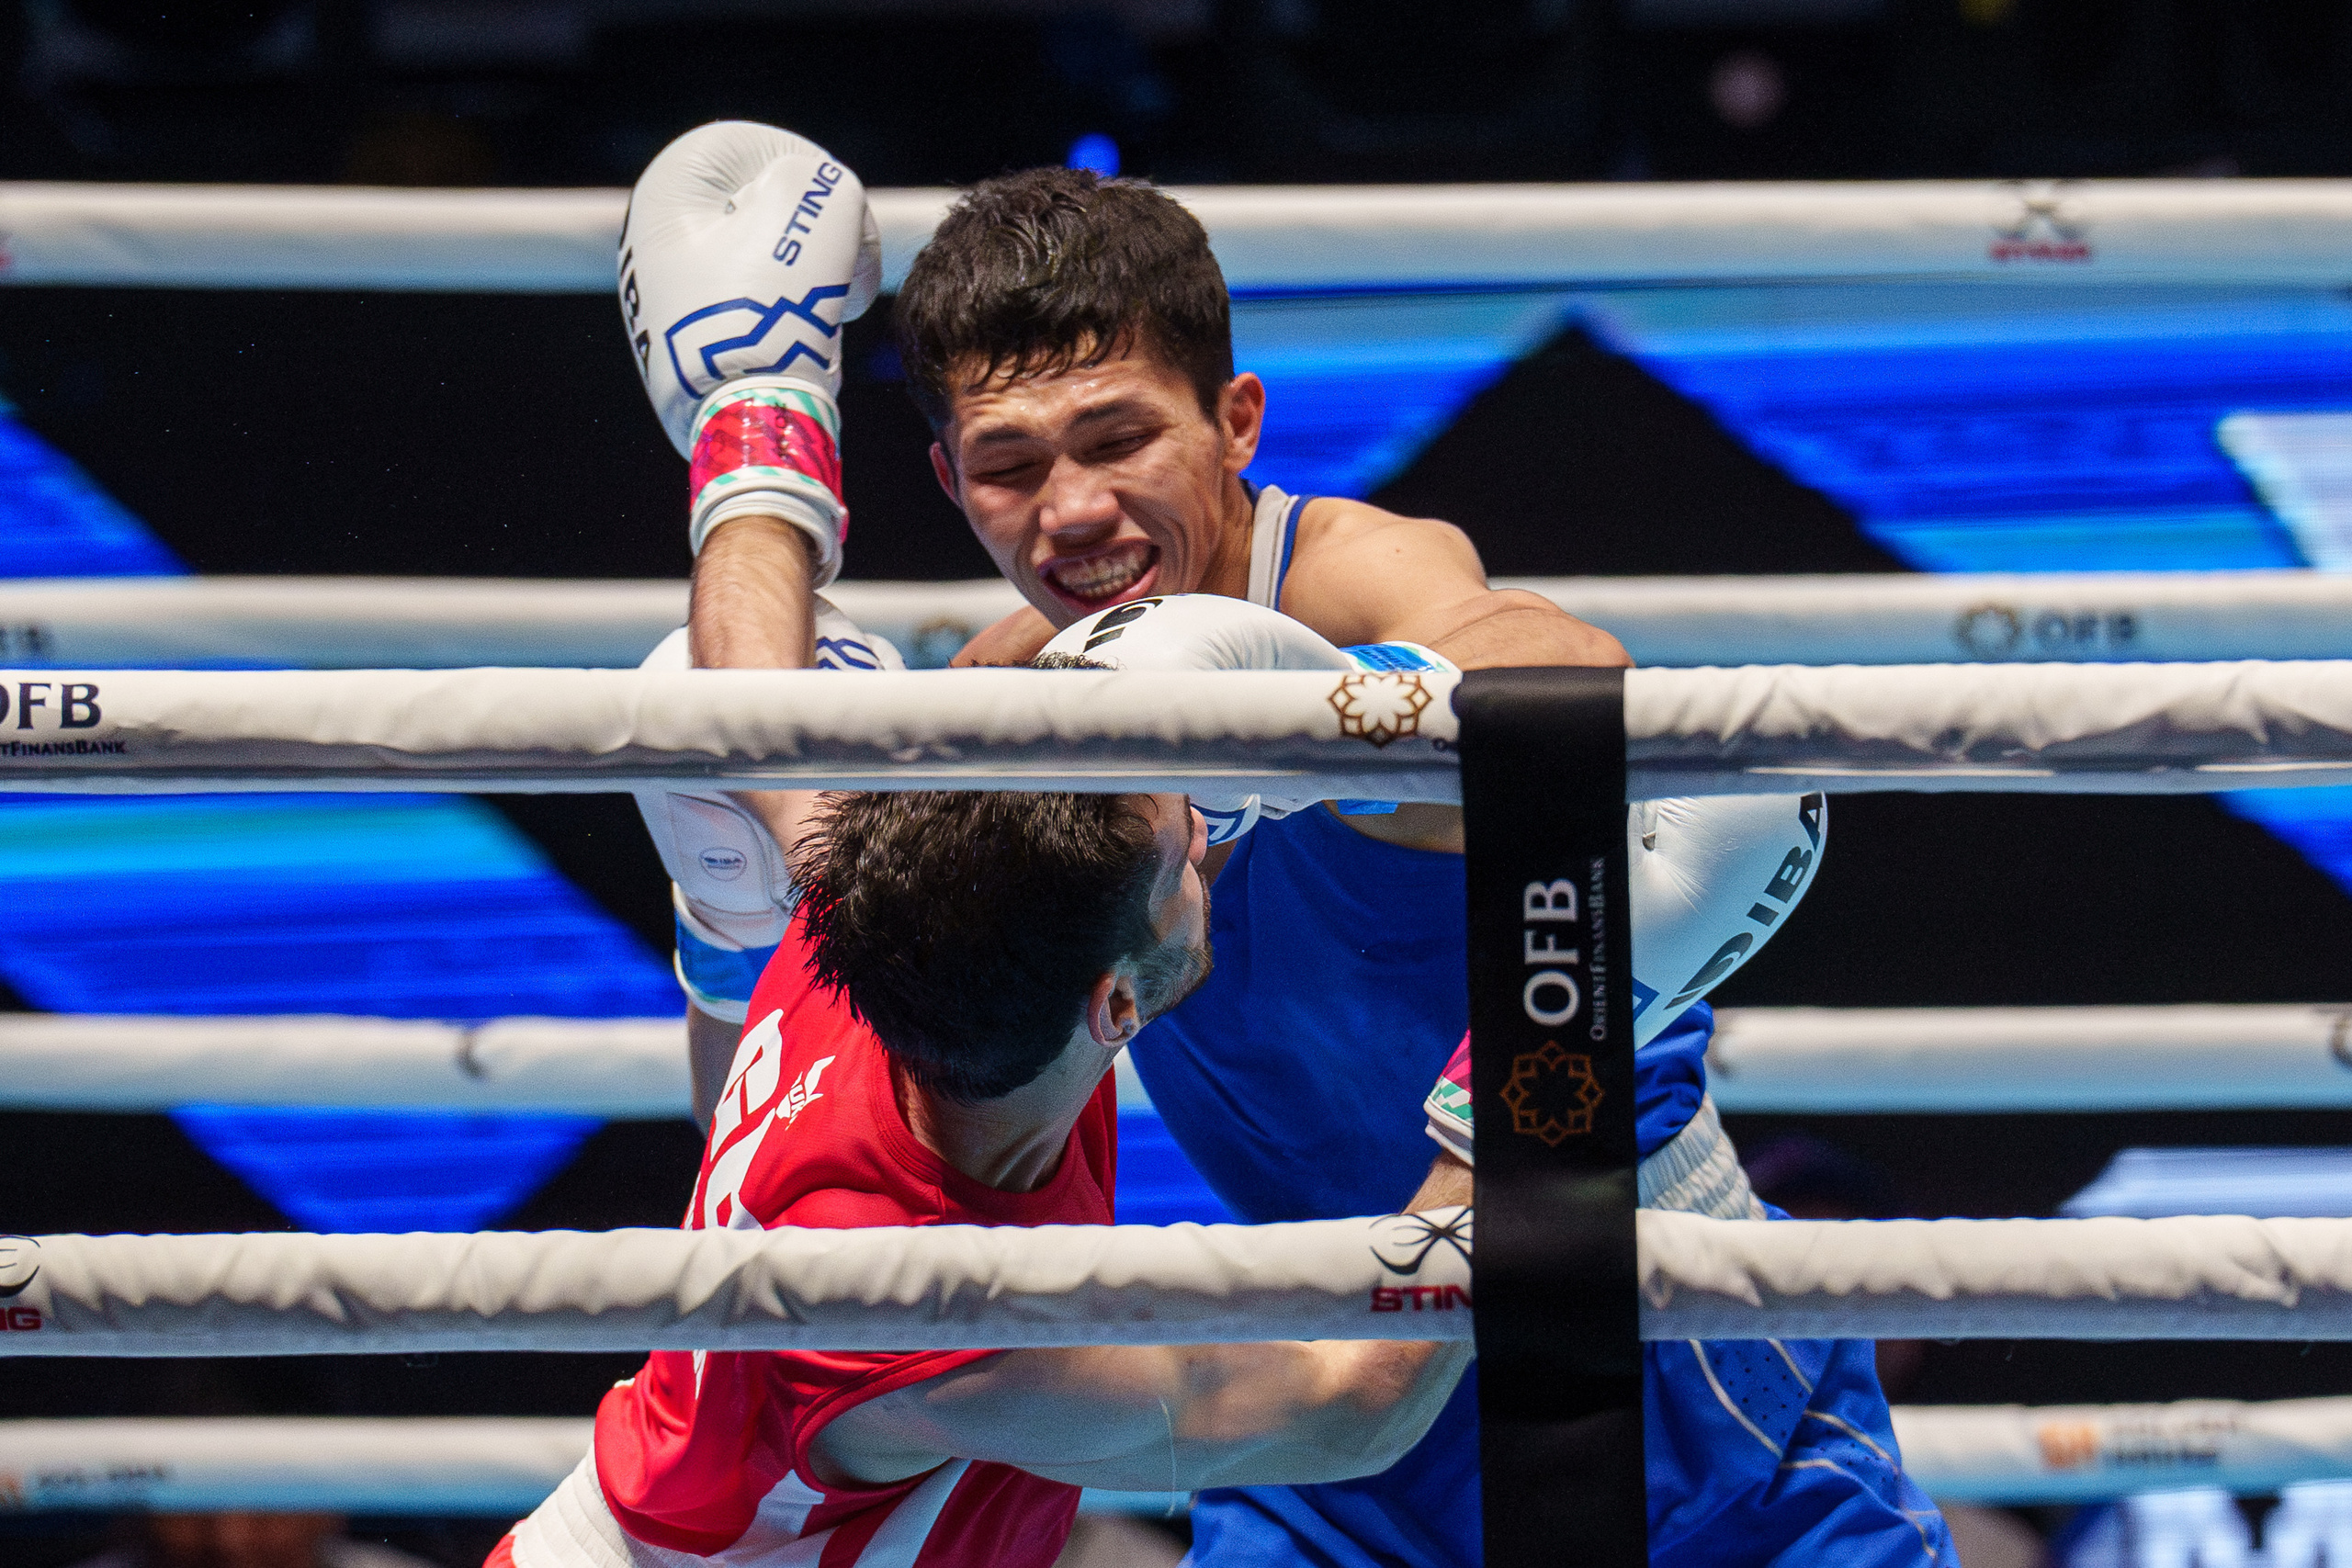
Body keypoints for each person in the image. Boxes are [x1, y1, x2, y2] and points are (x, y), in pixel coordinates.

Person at [618, 122, 1944, 1563]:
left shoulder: (1353, 574)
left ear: (1235, 421)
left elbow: (1563, 673)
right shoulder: (1007, 710)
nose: (1073, 509)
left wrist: (1323, 720)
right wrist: (759, 426)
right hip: (1313, 1396)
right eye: (1011, 464)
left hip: (1654, 1346)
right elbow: (765, 838)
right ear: (948, 483)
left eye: (1121, 436)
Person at [489, 788, 1474, 1568]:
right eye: (1182, 861)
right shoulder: (923, 1312)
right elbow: (1353, 1405)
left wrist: (761, 522)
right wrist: (1518, 1071)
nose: (1210, 831)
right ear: (1117, 1006)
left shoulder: (881, 913)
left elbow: (733, 697)